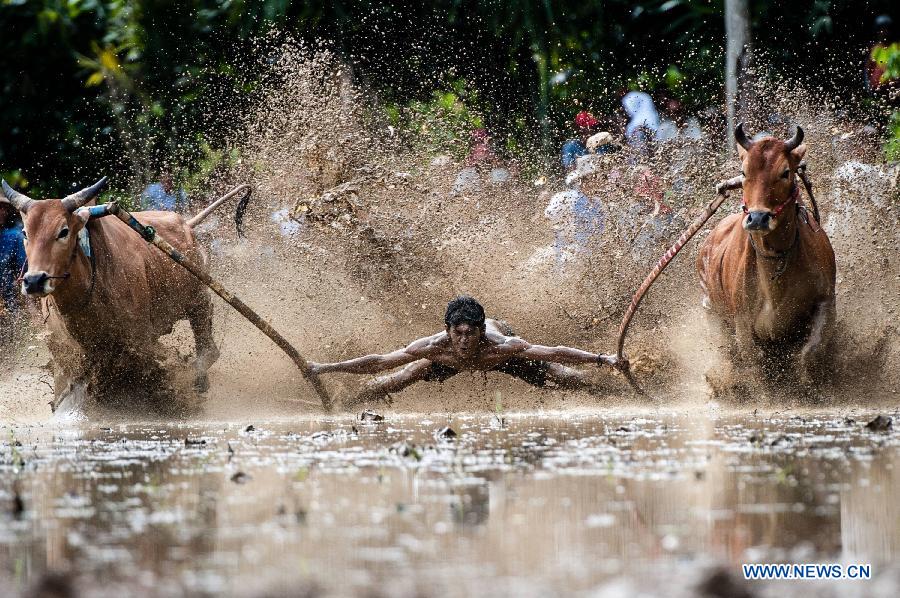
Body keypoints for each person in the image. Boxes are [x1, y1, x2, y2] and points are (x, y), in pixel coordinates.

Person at [309, 296, 624, 406]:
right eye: (457, 333)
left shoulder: (502, 345)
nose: (463, 340)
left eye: (470, 333)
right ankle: (349, 403)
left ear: (480, 331)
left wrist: (602, 359)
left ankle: (615, 393)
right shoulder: (434, 347)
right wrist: (323, 368)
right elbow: (380, 362)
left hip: (501, 359)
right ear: (448, 332)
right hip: (448, 363)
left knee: (563, 375)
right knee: (399, 377)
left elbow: (554, 352)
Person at [0, 195, 26, 315]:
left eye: (3, 208)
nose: (2, 211)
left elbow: (24, 272)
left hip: (9, 302)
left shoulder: (14, 237)